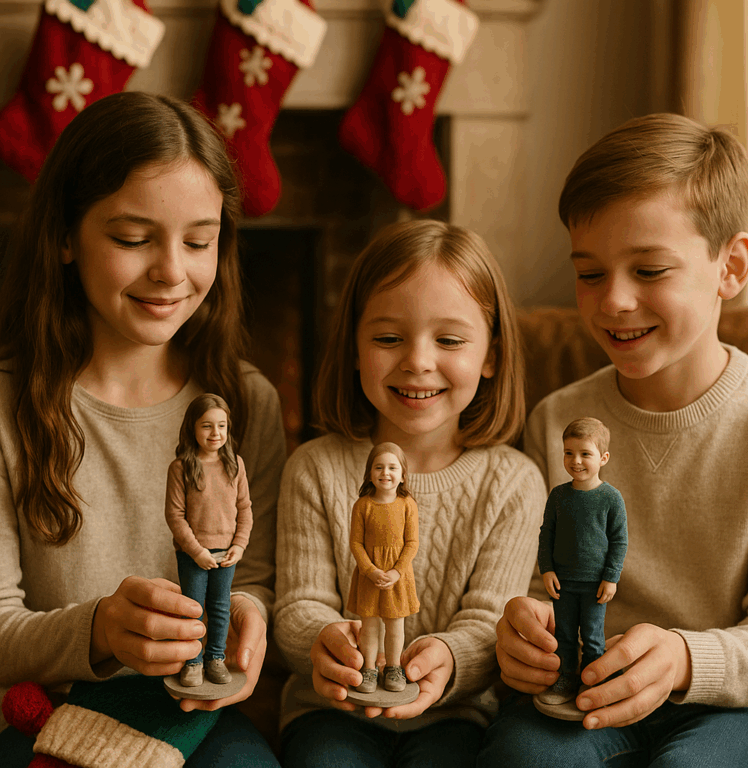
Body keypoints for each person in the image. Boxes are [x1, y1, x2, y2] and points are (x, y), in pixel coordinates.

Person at [0, 92, 286, 767]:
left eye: (199, 240)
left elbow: (260, 577)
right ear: (66, 236)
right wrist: (98, 630)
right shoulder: (10, 405)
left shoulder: (248, 402)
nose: (171, 272)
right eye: (132, 239)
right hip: (47, 716)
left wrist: (248, 619)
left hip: (199, 721)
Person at [480, 113, 748, 766]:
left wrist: (685, 657)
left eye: (649, 270)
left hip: (729, 704)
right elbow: (529, 579)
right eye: (589, 273)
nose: (612, 301)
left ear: (732, 267)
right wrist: (521, 628)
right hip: (582, 692)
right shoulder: (557, 419)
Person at [274, 219, 546, 768]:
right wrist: (324, 641)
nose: (417, 361)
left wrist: (448, 657)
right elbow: (299, 603)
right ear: (353, 347)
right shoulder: (314, 467)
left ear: (491, 355)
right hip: (330, 711)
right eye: (388, 338)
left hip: (456, 715)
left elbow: (491, 617)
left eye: (449, 340)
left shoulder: (514, 483)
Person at [535, 417, 627, 709]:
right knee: (564, 635)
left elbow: (619, 540)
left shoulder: (611, 498)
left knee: (592, 637)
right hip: (562, 582)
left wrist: (611, 577)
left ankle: (592, 682)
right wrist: (546, 569)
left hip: (595, 585)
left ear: (603, 457)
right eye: (569, 453)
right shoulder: (559, 496)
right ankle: (566, 678)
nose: (576, 461)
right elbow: (546, 533)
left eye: (585, 454)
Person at [166, 393, 254, 688]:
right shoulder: (180, 468)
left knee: (219, 607)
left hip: (226, 554)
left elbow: (245, 510)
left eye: (221, 426)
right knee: (194, 608)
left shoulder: (235, 465)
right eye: (206, 426)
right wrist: (196, 551)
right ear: (192, 427)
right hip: (193, 555)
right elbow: (175, 517)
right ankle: (192, 662)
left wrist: (238, 546)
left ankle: (215, 658)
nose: (215, 434)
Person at [347, 442, 419, 695]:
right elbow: (355, 543)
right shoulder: (362, 506)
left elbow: (412, 543)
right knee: (369, 626)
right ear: (369, 473)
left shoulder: (407, 504)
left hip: (398, 577)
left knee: (395, 626)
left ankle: (393, 667)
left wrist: (397, 572)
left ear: (402, 475)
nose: (385, 473)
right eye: (379, 467)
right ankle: (368, 668)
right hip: (370, 577)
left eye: (392, 467)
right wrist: (370, 571)